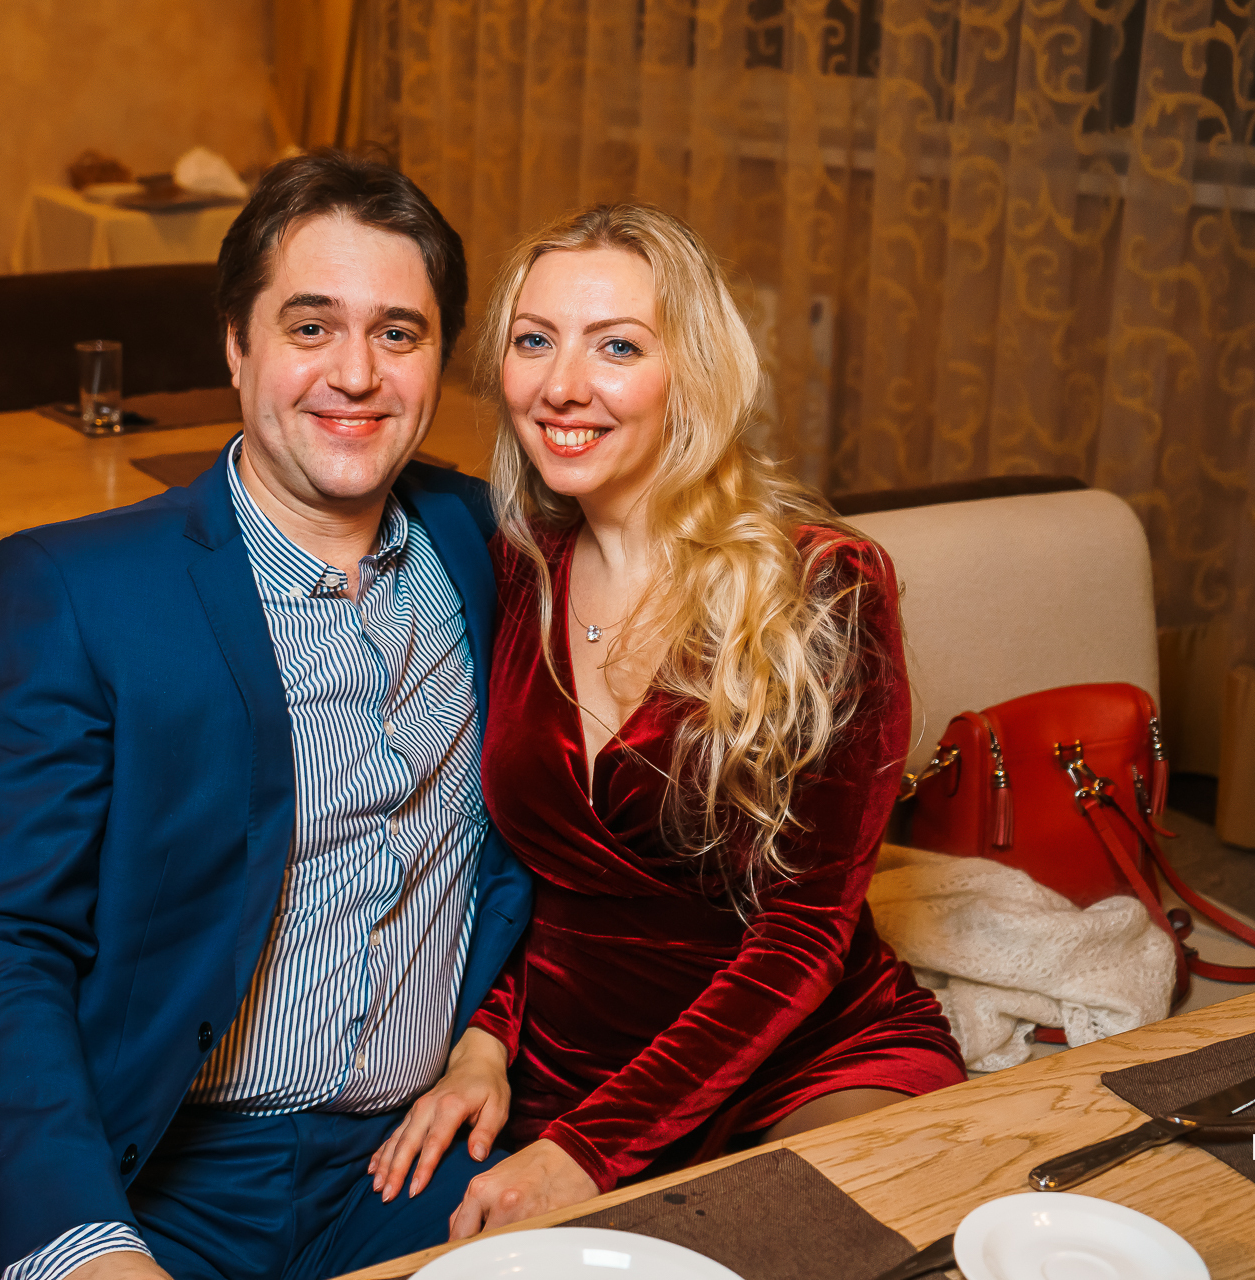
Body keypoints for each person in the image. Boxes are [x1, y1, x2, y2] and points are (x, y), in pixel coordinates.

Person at [0, 151, 531, 1280]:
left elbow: (545, 837)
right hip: (145, 1170)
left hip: (406, 1165)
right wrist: (80, 1243)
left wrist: (491, 1034)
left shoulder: (487, 541)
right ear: (236, 345)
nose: (356, 372)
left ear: (441, 361)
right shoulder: (79, 591)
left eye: (398, 333)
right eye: (311, 326)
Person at [366, 202, 967, 1237]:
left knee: (851, 1243)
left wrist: (589, 1153)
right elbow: (514, 871)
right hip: (565, 1074)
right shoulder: (513, 569)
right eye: (534, 341)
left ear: (690, 371)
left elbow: (806, 929)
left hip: (802, 1051)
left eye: (617, 346)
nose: (562, 385)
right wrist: (484, 1041)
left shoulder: (822, 585)